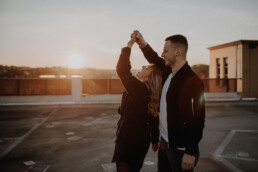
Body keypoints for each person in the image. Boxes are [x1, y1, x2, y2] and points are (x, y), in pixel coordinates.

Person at [132, 31, 205, 172]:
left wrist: (190, 151)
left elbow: (198, 120)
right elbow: (153, 57)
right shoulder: (167, 72)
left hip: (181, 149)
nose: (162, 54)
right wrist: (142, 43)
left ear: (177, 53)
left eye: (166, 51)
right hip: (165, 144)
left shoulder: (193, 81)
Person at [112, 35, 163, 172]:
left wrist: (128, 46)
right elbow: (153, 117)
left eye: (146, 67)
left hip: (129, 138)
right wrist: (155, 139)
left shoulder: (139, 88)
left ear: (150, 77)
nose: (142, 66)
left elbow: (122, 71)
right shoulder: (150, 93)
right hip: (141, 140)